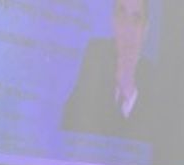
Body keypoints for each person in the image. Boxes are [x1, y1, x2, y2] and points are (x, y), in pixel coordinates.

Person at [62, 0, 158, 142]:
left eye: (136, 19)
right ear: (113, 21)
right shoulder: (96, 54)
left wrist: (129, 93)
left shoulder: (155, 78)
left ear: (145, 30)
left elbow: (149, 140)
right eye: (122, 15)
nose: (127, 28)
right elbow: (71, 118)